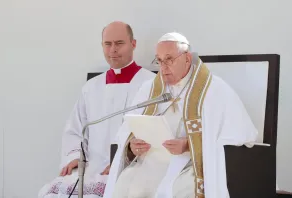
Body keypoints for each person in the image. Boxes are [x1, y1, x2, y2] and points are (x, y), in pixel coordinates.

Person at [103, 32, 258, 198]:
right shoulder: (149, 89)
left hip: (189, 165)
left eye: (169, 59)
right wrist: (132, 146)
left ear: (187, 58)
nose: (163, 67)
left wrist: (189, 145)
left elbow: (242, 136)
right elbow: (128, 132)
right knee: (125, 184)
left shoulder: (215, 90)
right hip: (151, 161)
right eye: (159, 60)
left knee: (174, 190)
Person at [38, 21, 156, 198]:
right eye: (108, 44)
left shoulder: (151, 84)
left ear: (133, 44)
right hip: (92, 169)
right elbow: (75, 130)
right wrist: (75, 158)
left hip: (132, 168)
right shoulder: (91, 87)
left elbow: (154, 133)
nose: (113, 50)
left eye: (119, 43)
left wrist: (123, 161)